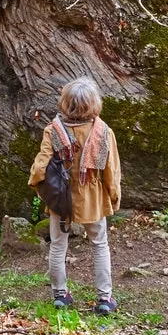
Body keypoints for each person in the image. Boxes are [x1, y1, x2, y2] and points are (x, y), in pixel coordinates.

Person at [28, 76, 122, 314]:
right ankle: (105, 299)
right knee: (99, 244)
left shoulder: (53, 130)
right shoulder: (103, 131)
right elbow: (111, 169)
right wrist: (113, 195)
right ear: (93, 103)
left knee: (58, 245)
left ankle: (60, 295)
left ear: (66, 102)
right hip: (92, 198)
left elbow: (40, 168)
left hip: (61, 198)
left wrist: (42, 191)